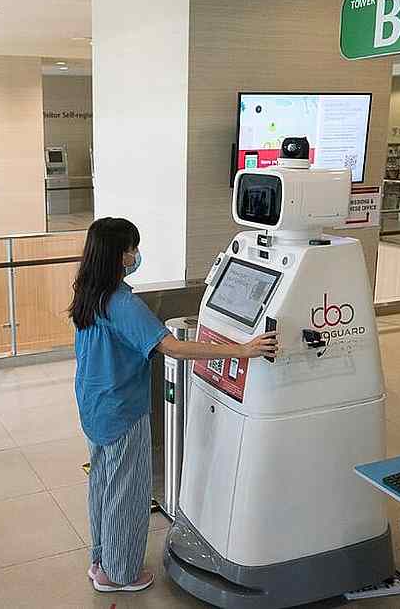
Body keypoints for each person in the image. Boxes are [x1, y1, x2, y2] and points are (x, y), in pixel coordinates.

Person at [69, 217, 277, 594]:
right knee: (127, 492)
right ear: (116, 255)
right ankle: (119, 574)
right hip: (121, 409)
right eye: (130, 248)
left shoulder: (87, 291)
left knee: (102, 483)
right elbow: (171, 347)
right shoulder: (122, 303)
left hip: (93, 403)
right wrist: (242, 350)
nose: (135, 255)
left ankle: (102, 559)